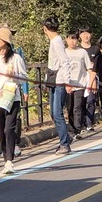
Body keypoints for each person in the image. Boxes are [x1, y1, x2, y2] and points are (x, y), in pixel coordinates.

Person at [0, 26, 28, 174]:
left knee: (9, 129)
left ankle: (9, 161)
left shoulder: (16, 58)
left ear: (6, 42)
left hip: (12, 98)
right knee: (1, 131)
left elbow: (24, 78)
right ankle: (5, 155)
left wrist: (14, 74)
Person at [43, 16, 71, 153]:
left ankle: (65, 143)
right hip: (54, 80)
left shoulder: (57, 41)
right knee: (53, 113)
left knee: (57, 113)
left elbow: (64, 61)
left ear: (45, 29)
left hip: (60, 81)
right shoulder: (55, 40)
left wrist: (67, 81)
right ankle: (65, 137)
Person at [62, 30, 92, 141]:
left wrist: (90, 83)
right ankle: (71, 129)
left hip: (80, 84)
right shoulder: (64, 52)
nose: (72, 41)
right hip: (68, 84)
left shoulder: (82, 52)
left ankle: (77, 129)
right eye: (70, 38)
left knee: (77, 107)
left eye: (74, 38)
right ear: (66, 39)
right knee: (69, 108)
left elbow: (89, 67)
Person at [78, 28, 99, 131]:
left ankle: (89, 123)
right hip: (80, 78)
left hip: (92, 76)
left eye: (88, 34)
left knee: (91, 100)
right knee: (80, 101)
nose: (86, 36)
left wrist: (94, 80)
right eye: (83, 34)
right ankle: (81, 124)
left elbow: (97, 66)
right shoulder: (77, 49)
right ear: (80, 36)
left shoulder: (95, 49)